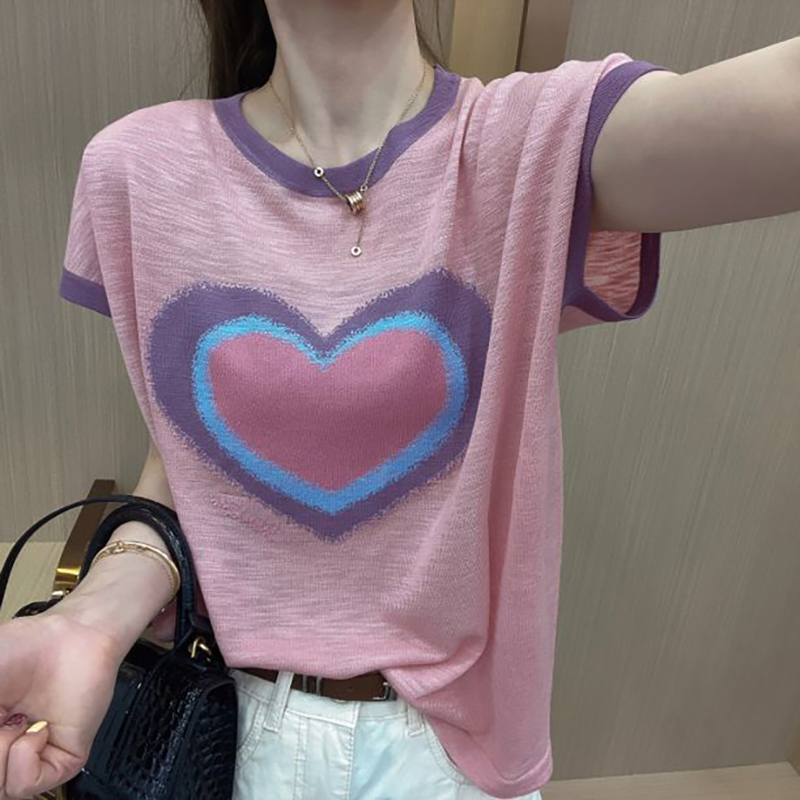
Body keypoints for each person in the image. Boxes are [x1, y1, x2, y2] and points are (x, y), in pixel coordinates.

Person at [4, 0, 799, 797]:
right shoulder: (139, 170)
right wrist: (89, 622)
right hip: (223, 732)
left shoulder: (532, 141)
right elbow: (183, 471)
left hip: (450, 753)